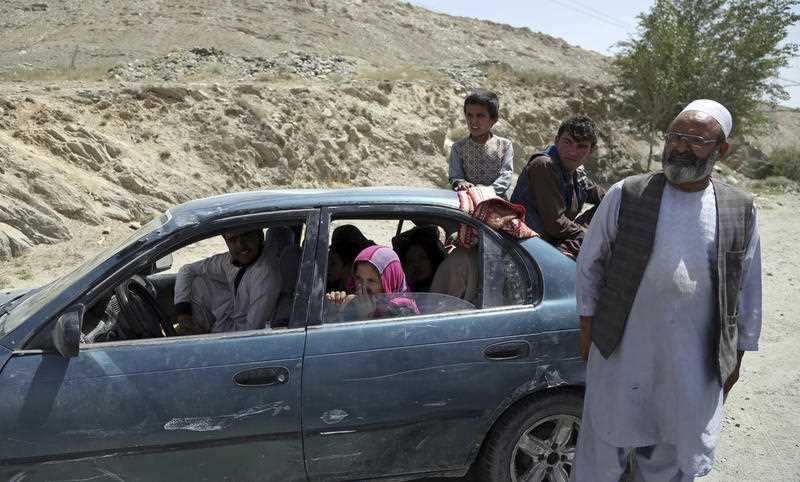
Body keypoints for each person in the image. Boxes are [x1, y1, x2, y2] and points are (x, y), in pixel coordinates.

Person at [572, 100, 762, 481]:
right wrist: (588, 328)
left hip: (692, 361)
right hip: (622, 350)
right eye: (675, 136)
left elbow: (748, 287)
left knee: (672, 453)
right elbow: (590, 264)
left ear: (721, 150)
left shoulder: (739, 208)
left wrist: (738, 353)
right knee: (604, 447)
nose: (680, 146)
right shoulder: (627, 193)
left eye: (696, 140)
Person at [510, 115, 605, 258]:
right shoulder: (544, 165)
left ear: (591, 150)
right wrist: (585, 235)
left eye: (582, 146)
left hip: (553, 240)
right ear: (556, 140)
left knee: (609, 206)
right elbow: (556, 225)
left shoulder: (577, 172)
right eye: (567, 142)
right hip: (527, 244)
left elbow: (605, 197)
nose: (572, 151)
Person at [173, 227, 282, 333]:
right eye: (233, 240)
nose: (241, 245)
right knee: (198, 281)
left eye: (246, 235)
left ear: (260, 236)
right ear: (226, 243)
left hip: (240, 337)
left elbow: (252, 330)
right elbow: (187, 270)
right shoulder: (229, 261)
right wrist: (183, 314)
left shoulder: (266, 274)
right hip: (228, 323)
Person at [447, 90, 514, 198]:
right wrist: (461, 183)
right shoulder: (458, 148)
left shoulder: (505, 146)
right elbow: (455, 176)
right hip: (469, 202)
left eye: (480, 116)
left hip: (497, 203)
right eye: (469, 115)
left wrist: (486, 191)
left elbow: (506, 176)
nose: (473, 121)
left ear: (493, 119)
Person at [326, 245, 419, 320]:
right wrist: (336, 312)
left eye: (371, 281)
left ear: (389, 281)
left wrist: (366, 317)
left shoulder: (403, 310)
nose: (362, 286)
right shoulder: (360, 302)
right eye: (358, 278)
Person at [393, 225, 446, 292]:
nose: (416, 264)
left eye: (422, 258)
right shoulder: (402, 288)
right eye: (410, 261)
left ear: (432, 260)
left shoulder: (442, 287)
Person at [327, 224, 374, 292]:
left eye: (333, 264)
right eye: (328, 261)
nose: (328, 268)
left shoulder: (362, 290)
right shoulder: (331, 284)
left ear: (349, 264)